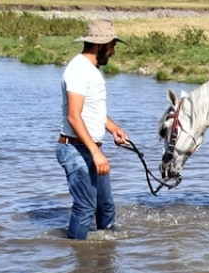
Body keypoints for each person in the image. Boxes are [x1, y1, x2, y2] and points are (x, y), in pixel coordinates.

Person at [57, 19, 130, 240]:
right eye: (112, 46)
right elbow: (73, 115)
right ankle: (78, 261)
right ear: (99, 45)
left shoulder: (90, 69)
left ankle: (104, 255)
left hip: (88, 148)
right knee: (85, 208)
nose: (114, 52)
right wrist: (96, 152)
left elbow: (91, 111)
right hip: (76, 150)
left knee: (106, 207)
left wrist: (113, 128)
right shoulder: (78, 70)